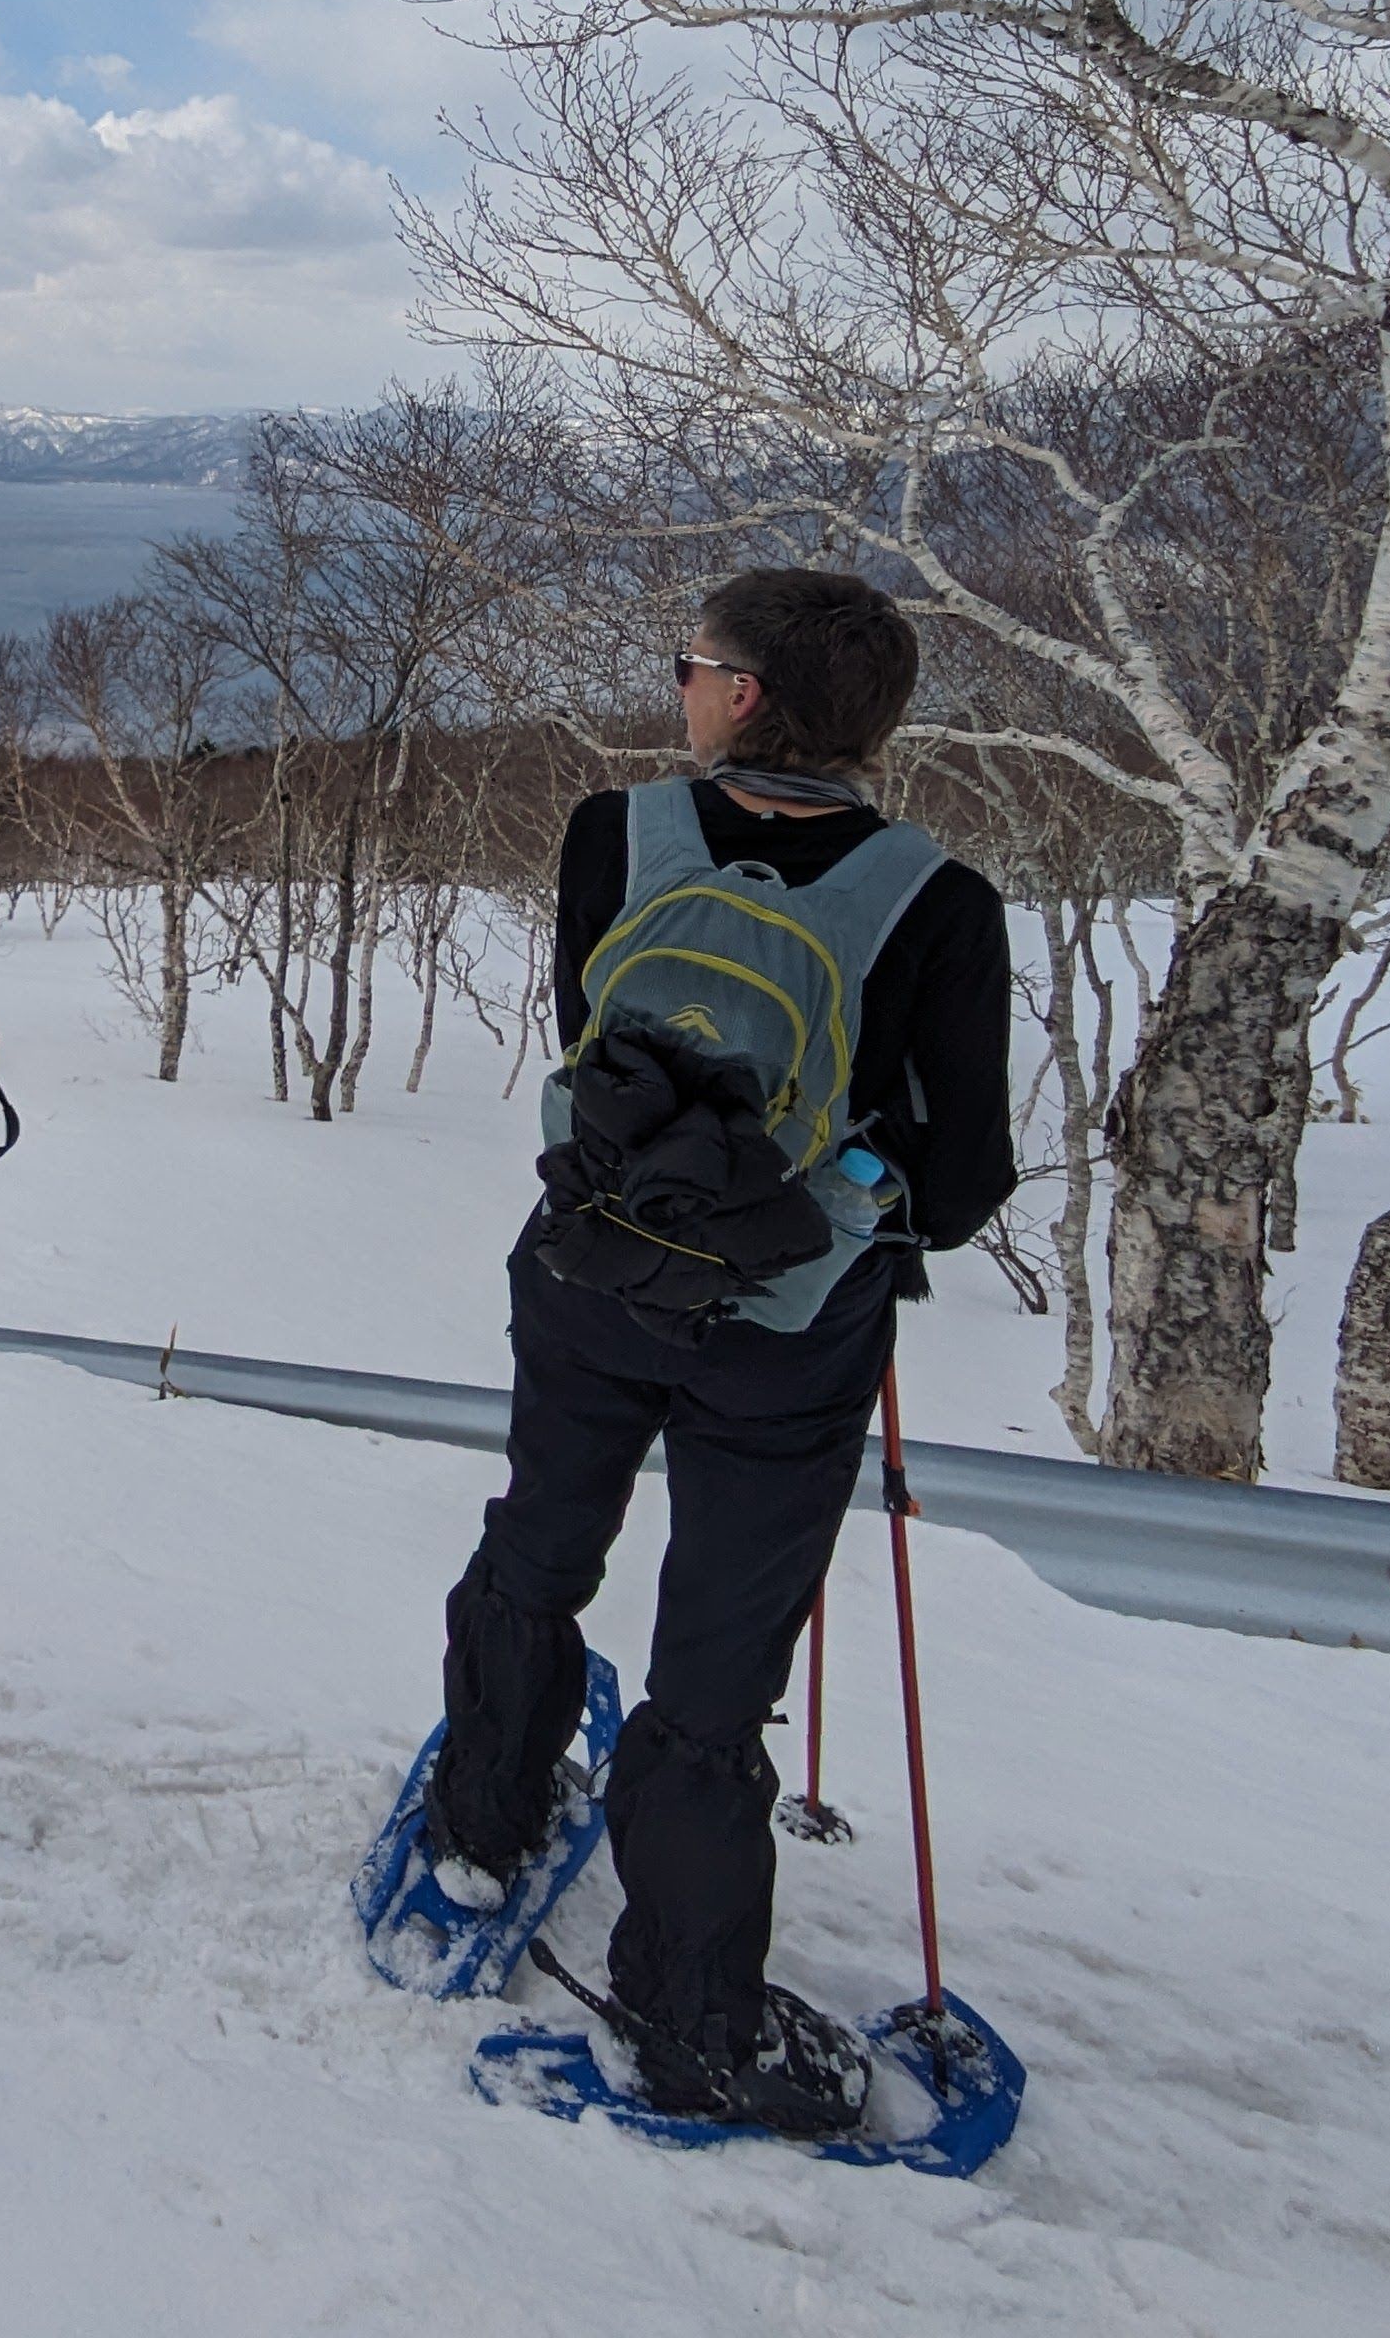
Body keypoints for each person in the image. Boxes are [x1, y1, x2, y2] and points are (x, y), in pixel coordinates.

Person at [419, 567, 1012, 2127]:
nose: (681, 683)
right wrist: (852, 1193)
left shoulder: (618, 836)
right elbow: (962, 1191)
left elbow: (597, 1046)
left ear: (743, 697)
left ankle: (482, 1818)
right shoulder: (936, 900)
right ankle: (689, 2020)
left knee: (539, 1536)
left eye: (695, 664)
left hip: (590, 1269)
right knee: (712, 1662)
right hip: (785, 1323)